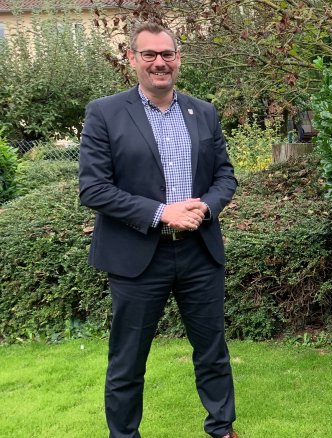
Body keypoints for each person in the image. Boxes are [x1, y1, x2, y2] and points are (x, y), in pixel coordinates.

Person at [78, 22, 239, 438]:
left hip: (199, 251)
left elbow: (225, 176)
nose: (159, 63)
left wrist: (206, 206)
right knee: (128, 360)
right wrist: (161, 212)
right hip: (137, 256)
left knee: (212, 352)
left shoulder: (202, 111)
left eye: (167, 54)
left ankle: (222, 428)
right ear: (132, 59)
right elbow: (93, 188)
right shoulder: (105, 112)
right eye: (148, 54)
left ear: (178, 59)